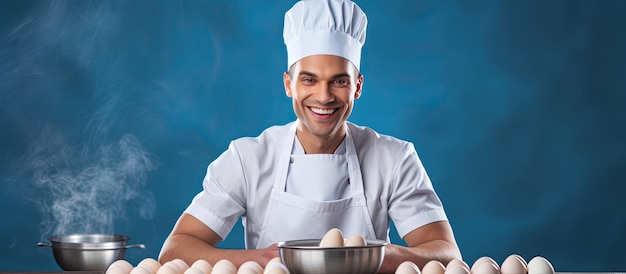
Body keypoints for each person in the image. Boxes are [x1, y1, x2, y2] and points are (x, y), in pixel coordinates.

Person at [159, 0, 462, 272]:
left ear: (357, 86)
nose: (324, 96)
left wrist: (377, 256)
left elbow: (447, 253)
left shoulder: (394, 159)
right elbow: (175, 250)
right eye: (309, 79)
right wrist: (263, 261)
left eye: (339, 81)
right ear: (289, 84)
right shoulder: (247, 159)